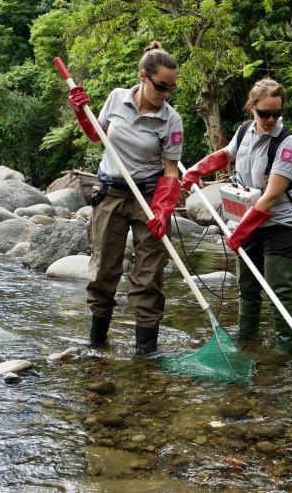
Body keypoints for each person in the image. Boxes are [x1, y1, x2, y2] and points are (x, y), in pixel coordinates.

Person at [68, 41, 183, 353]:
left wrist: (163, 209)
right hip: (111, 193)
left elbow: (171, 171)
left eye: (171, 88)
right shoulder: (117, 97)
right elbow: (96, 136)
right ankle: (96, 345)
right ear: (143, 77)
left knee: (148, 277)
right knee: (104, 269)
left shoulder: (172, 120)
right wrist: (80, 111)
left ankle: (145, 354)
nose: (165, 94)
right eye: (161, 86)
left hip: (149, 197)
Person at [182, 78, 292, 355]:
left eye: (277, 113)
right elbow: (225, 155)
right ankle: (247, 343)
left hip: (280, 226)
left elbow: (270, 197)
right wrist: (197, 170)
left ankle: (285, 352)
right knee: (247, 289)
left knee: (278, 292)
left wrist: (239, 233)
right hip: (250, 224)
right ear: (252, 108)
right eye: (265, 113)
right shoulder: (244, 130)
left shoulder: (287, 144)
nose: (271, 119)